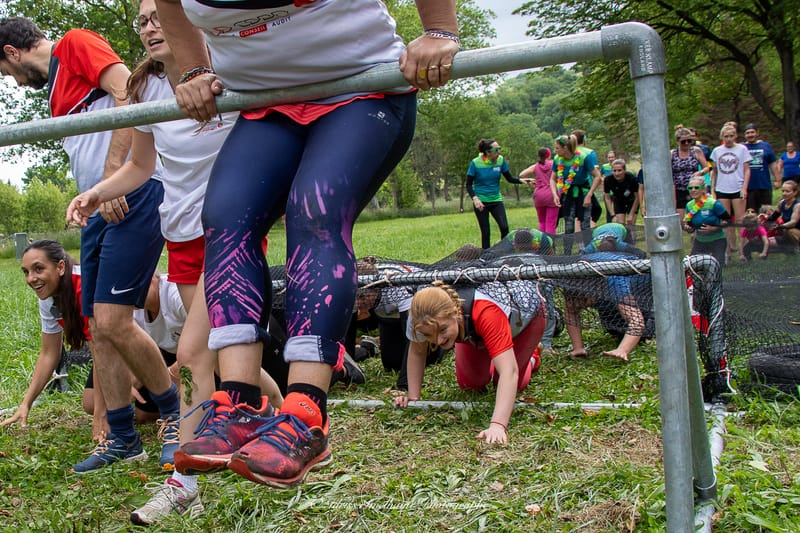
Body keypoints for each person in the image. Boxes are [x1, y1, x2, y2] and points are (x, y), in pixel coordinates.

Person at [154, 0, 459, 488]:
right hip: (263, 103)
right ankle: (239, 402)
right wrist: (192, 68)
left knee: (312, 212)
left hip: (360, 87)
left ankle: (304, 415)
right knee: (225, 220)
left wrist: (439, 30)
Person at [0, 17, 180, 474]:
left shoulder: (75, 45)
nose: (11, 81)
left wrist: (111, 179)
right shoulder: (57, 89)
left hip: (132, 193)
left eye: (4, 71)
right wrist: (93, 194)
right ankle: (122, 438)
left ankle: (176, 417)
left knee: (117, 321)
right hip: (100, 207)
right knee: (98, 326)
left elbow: (130, 94)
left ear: (11, 51)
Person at [395, 280, 545, 444]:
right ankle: (497, 352)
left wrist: (497, 425)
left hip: (523, 321)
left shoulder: (487, 312)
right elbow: (417, 352)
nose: (437, 340)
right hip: (474, 332)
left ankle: (532, 358)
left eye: (443, 330)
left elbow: (510, 372)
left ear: (456, 313)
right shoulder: (419, 316)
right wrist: (414, 398)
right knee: (471, 384)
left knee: (507, 380)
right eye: (429, 334)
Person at [564, 249, 650, 362]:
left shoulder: (616, 282)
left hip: (647, 292)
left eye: (583, 302)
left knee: (647, 332)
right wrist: (578, 348)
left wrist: (622, 350)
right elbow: (571, 311)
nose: (579, 306)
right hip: (606, 281)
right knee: (612, 327)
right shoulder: (571, 277)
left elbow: (636, 321)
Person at [466, 139, 530, 248]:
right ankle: (485, 258)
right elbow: (468, 184)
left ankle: (503, 252)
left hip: (496, 200)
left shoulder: (500, 161)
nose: (499, 151)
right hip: (481, 202)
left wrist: (521, 181)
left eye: (500, 148)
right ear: (487, 152)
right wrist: (475, 199)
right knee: (486, 232)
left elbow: (509, 178)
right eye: (496, 149)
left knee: (504, 227)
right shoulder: (475, 163)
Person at [550, 134, 599, 254]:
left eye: (557, 148)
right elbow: (552, 178)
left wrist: (589, 195)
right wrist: (555, 194)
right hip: (568, 193)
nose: (555, 151)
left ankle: (589, 253)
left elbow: (597, 176)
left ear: (565, 148)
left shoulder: (583, 158)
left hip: (583, 192)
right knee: (569, 225)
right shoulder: (557, 159)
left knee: (585, 224)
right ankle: (568, 255)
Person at [710, 123, 752, 256]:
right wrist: (713, 190)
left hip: (737, 187)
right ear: (722, 137)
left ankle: (743, 251)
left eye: (731, 136)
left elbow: (746, 170)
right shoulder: (717, 151)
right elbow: (714, 172)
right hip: (722, 188)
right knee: (726, 221)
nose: (729, 139)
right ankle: (729, 248)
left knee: (740, 220)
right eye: (726, 136)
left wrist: (744, 188)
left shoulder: (742, 149)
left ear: (736, 136)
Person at [683, 176, 732, 266]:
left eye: (696, 187)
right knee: (693, 265)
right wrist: (688, 228)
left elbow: (728, 221)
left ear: (703, 189)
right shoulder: (689, 206)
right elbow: (691, 227)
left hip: (717, 240)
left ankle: (724, 256)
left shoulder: (713, 203)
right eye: (690, 188)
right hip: (700, 241)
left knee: (717, 266)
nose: (693, 190)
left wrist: (714, 228)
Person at [671, 126, 710, 219]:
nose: (687, 143)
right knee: (681, 218)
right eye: (683, 141)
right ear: (677, 141)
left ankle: (696, 232)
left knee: (696, 216)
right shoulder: (672, 153)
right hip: (679, 190)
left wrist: (700, 173)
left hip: (695, 189)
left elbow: (708, 168)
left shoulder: (696, 151)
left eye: (689, 140)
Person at [520, 147, 558, 234]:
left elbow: (521, 174)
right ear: (548, 155)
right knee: (550, 223)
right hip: (551, 194)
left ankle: (542, 244)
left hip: (539, 195)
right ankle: (550, 244)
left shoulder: (536, 166)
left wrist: (530, 180)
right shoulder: (553, 164)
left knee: (542, 222)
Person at [742, 123, 779, 211]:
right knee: (750, 212)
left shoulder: (766, 146)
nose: (750, 135)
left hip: (764, 184)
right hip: (748, 186)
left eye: (752, 132)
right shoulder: (742, 147)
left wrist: (778, 179)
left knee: (766, 212)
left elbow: (773, 164)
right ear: (744, 135)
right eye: (747, 133)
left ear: (757, 133)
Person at [571, 129, 603, 227]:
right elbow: (596, 173)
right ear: (584, 140)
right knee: (592, 212)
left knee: (576, 215)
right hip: (586, 187)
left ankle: (579, 239)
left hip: (571, 188)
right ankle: (586, 238)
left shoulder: (568, 153)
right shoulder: (589, 153)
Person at [603, 159, 640, 224]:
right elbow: (607, 198)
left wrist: (631, 214)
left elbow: (637, 197)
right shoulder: (608, 180)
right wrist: (613, 215)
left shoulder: (631, 178)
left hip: (632, 200)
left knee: (631, 224)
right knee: (620, 224)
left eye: (619, 170)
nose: (616, 173)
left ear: (624, 170)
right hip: (619, 201)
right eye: (614, 171)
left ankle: (633, 234)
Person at [766, 180, 800, 252]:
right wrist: (763, 220)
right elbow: (773, 217)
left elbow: (793, 222)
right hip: (785, 233)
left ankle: (796, 248)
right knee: (765, 242)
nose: (784, 193)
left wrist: (780, 226)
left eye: (787, 191)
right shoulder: (782, 203)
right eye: (783, 191)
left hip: (794, 232)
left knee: (789, 231)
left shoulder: (797, 205)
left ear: (795, 192)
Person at [581, 222, 646, 257]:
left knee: (629, 252)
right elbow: (582, 255)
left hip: (619, 227)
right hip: (599, 229)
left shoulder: (618, 244)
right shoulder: (593, 245)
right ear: (599, 247)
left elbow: (636, 250)